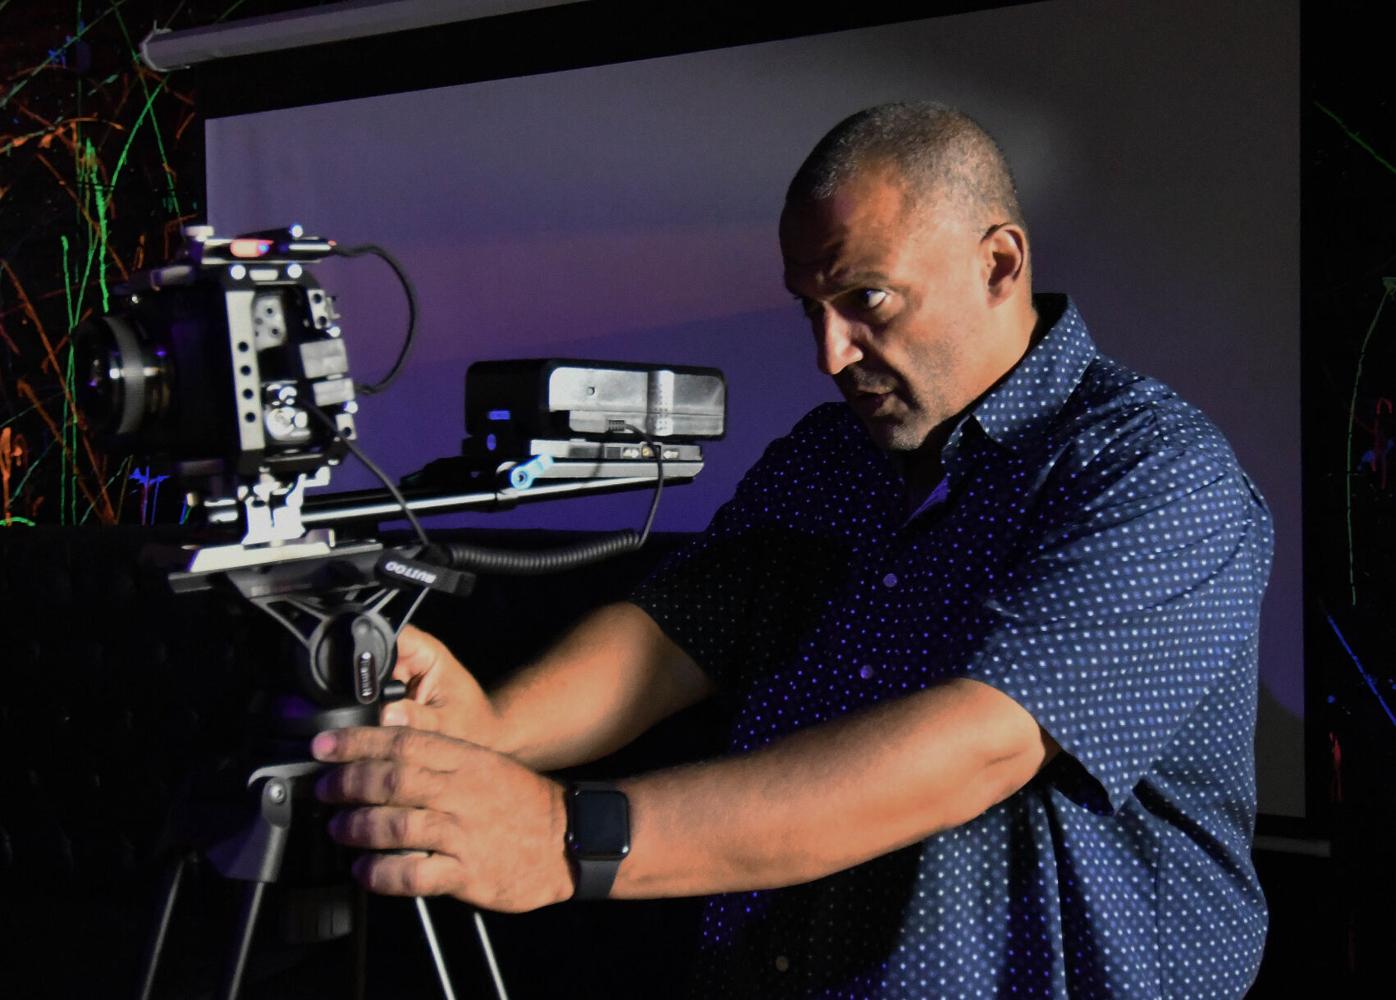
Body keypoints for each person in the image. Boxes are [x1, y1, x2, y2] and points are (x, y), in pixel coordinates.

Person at [309, 103, 1274, 998]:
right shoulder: (826, 455)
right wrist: (492, 727)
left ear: (999, 264)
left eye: (868, 299)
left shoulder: (1155, 473)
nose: (831, 353)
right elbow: (677, 634)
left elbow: (974, 749)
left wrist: (565, 841)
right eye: (810, 306)